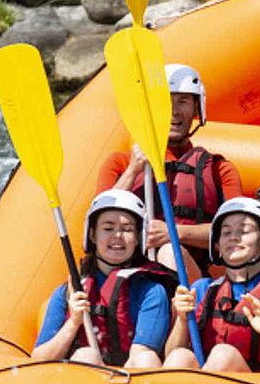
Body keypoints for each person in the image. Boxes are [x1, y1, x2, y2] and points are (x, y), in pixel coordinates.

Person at [97, 63, 244, 280]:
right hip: (126, 274)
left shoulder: (219, 169)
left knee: (169, 251)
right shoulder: (119, 163)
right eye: (164, 102)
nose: (173, 110)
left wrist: (173, 233)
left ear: (196, 108)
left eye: (183, 101)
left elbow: (239, 233)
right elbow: (97, 225)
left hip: (191, 276)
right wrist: (132, 172)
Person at [164, 197, 260, 373]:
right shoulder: (201, 289)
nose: (233, 238)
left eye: (243, 231)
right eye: (226, 232)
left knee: (224, 356)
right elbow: (169, 355)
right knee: (180, 357)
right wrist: (183, 321)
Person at [31, 189, 176, 368]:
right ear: (92, 235)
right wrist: (73, 322)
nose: (117, 236)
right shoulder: (68, 292)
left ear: (139, 238)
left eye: (127, 229)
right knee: (86, 355)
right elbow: (38, 361)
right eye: (108, 228)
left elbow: (140, 356)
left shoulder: (151, 292)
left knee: (146, 359)